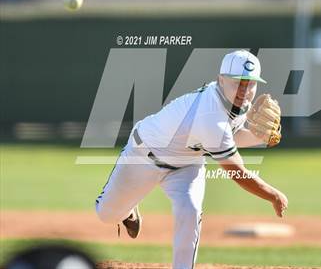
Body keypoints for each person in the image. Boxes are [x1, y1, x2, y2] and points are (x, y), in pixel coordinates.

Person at [95, 49, 288, 269]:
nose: (244, 90)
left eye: (250, 83)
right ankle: (128, 211)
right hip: (144, 156)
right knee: (107, 215)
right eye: (238, 82)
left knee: (190, 209)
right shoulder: (210, 115)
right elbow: (237, 172)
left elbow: (229, 136)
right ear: (221, 80)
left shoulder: (236, 104)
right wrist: (273, 195)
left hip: (187, 163)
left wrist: (258, 136)